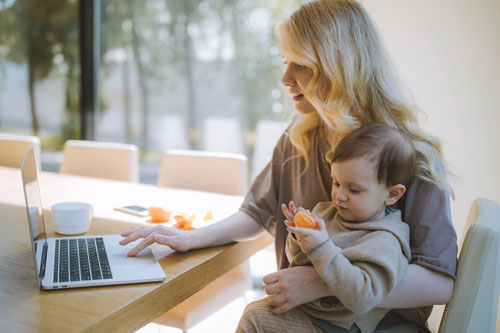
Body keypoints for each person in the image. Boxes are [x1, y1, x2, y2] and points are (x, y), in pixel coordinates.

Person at [119, 0, 457, 331]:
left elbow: (439, 282)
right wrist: (192, 238)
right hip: (304, 318)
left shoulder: (412, 156)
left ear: (340, 67)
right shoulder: (298, 139)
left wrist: (324, 280)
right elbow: (256, 213)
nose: (285, 78)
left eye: (301, 65)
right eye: (285, 62)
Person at [237, 123, 415, 333]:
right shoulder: (327, 212)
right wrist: (298, 237)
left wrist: (321, 247)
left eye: (354, 189)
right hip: (307, 313)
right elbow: (298, 262)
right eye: (336, 183)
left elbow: (364, 298)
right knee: (257, 308)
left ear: (392, 194)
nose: (339, 195)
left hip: (337, 327)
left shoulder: (385, 241)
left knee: (255, 318)